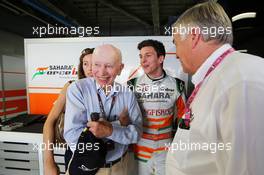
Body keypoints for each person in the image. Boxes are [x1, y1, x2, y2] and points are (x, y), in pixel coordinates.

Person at [166, 1, 264, 175]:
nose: (175, 51)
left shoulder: (241, 82)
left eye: (176, 41)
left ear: (194, 36)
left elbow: (249, 169)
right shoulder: (220, 76)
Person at [64, 44, 143, 175]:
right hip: (87, 167)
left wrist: (109, 130)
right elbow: (72, 135)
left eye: (109, 66)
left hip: (119, 167)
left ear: (120, 68)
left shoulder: (127, 94)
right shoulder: (78, 89)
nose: (101, 73)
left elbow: (137, 133)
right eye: (97, 65)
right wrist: (119, 126)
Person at [127, 39, 186, 175]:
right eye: (141, 56)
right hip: (140, 150)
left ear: (161, 58)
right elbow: (126, 119)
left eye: (148, 55)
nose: (143, 61)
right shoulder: (132, 85)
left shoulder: (177, 85)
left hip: (166, 149)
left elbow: (185, 118)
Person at [43, 48, 94, 175]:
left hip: (103, 156)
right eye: (85, 63)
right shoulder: (71, 87)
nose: (90, 68)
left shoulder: (111, 89)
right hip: (75, 154)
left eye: (94, 63)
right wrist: (48, 161)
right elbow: (50, 122)